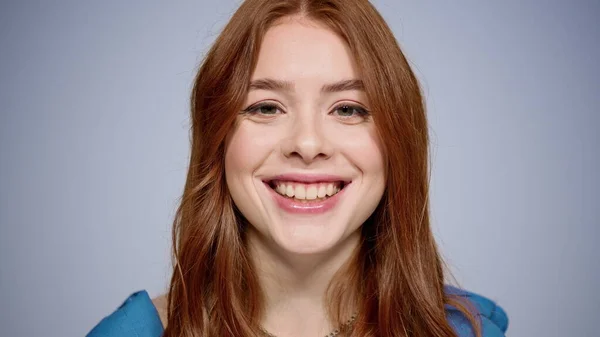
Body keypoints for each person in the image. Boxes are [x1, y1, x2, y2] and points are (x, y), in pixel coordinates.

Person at [87, 0, 509, 336]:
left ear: (398, 140)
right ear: (218, 139)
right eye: (266, 107)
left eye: (348, 108)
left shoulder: (468, 332)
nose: (307, 144)